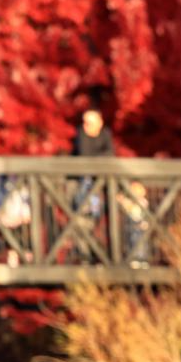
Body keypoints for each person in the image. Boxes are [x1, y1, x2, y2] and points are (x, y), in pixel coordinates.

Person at [70, 108, 115, 263]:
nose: (87, 125)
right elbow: (84, 155)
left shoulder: (105, 134)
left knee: (99, 220)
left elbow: (110, 154)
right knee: (82, 220)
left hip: (100, 186)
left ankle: (100, 255)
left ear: (100, 122)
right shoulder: (81, 135)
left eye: (90, 122)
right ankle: (85, 255)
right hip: (82, 185)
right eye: (85, 122)